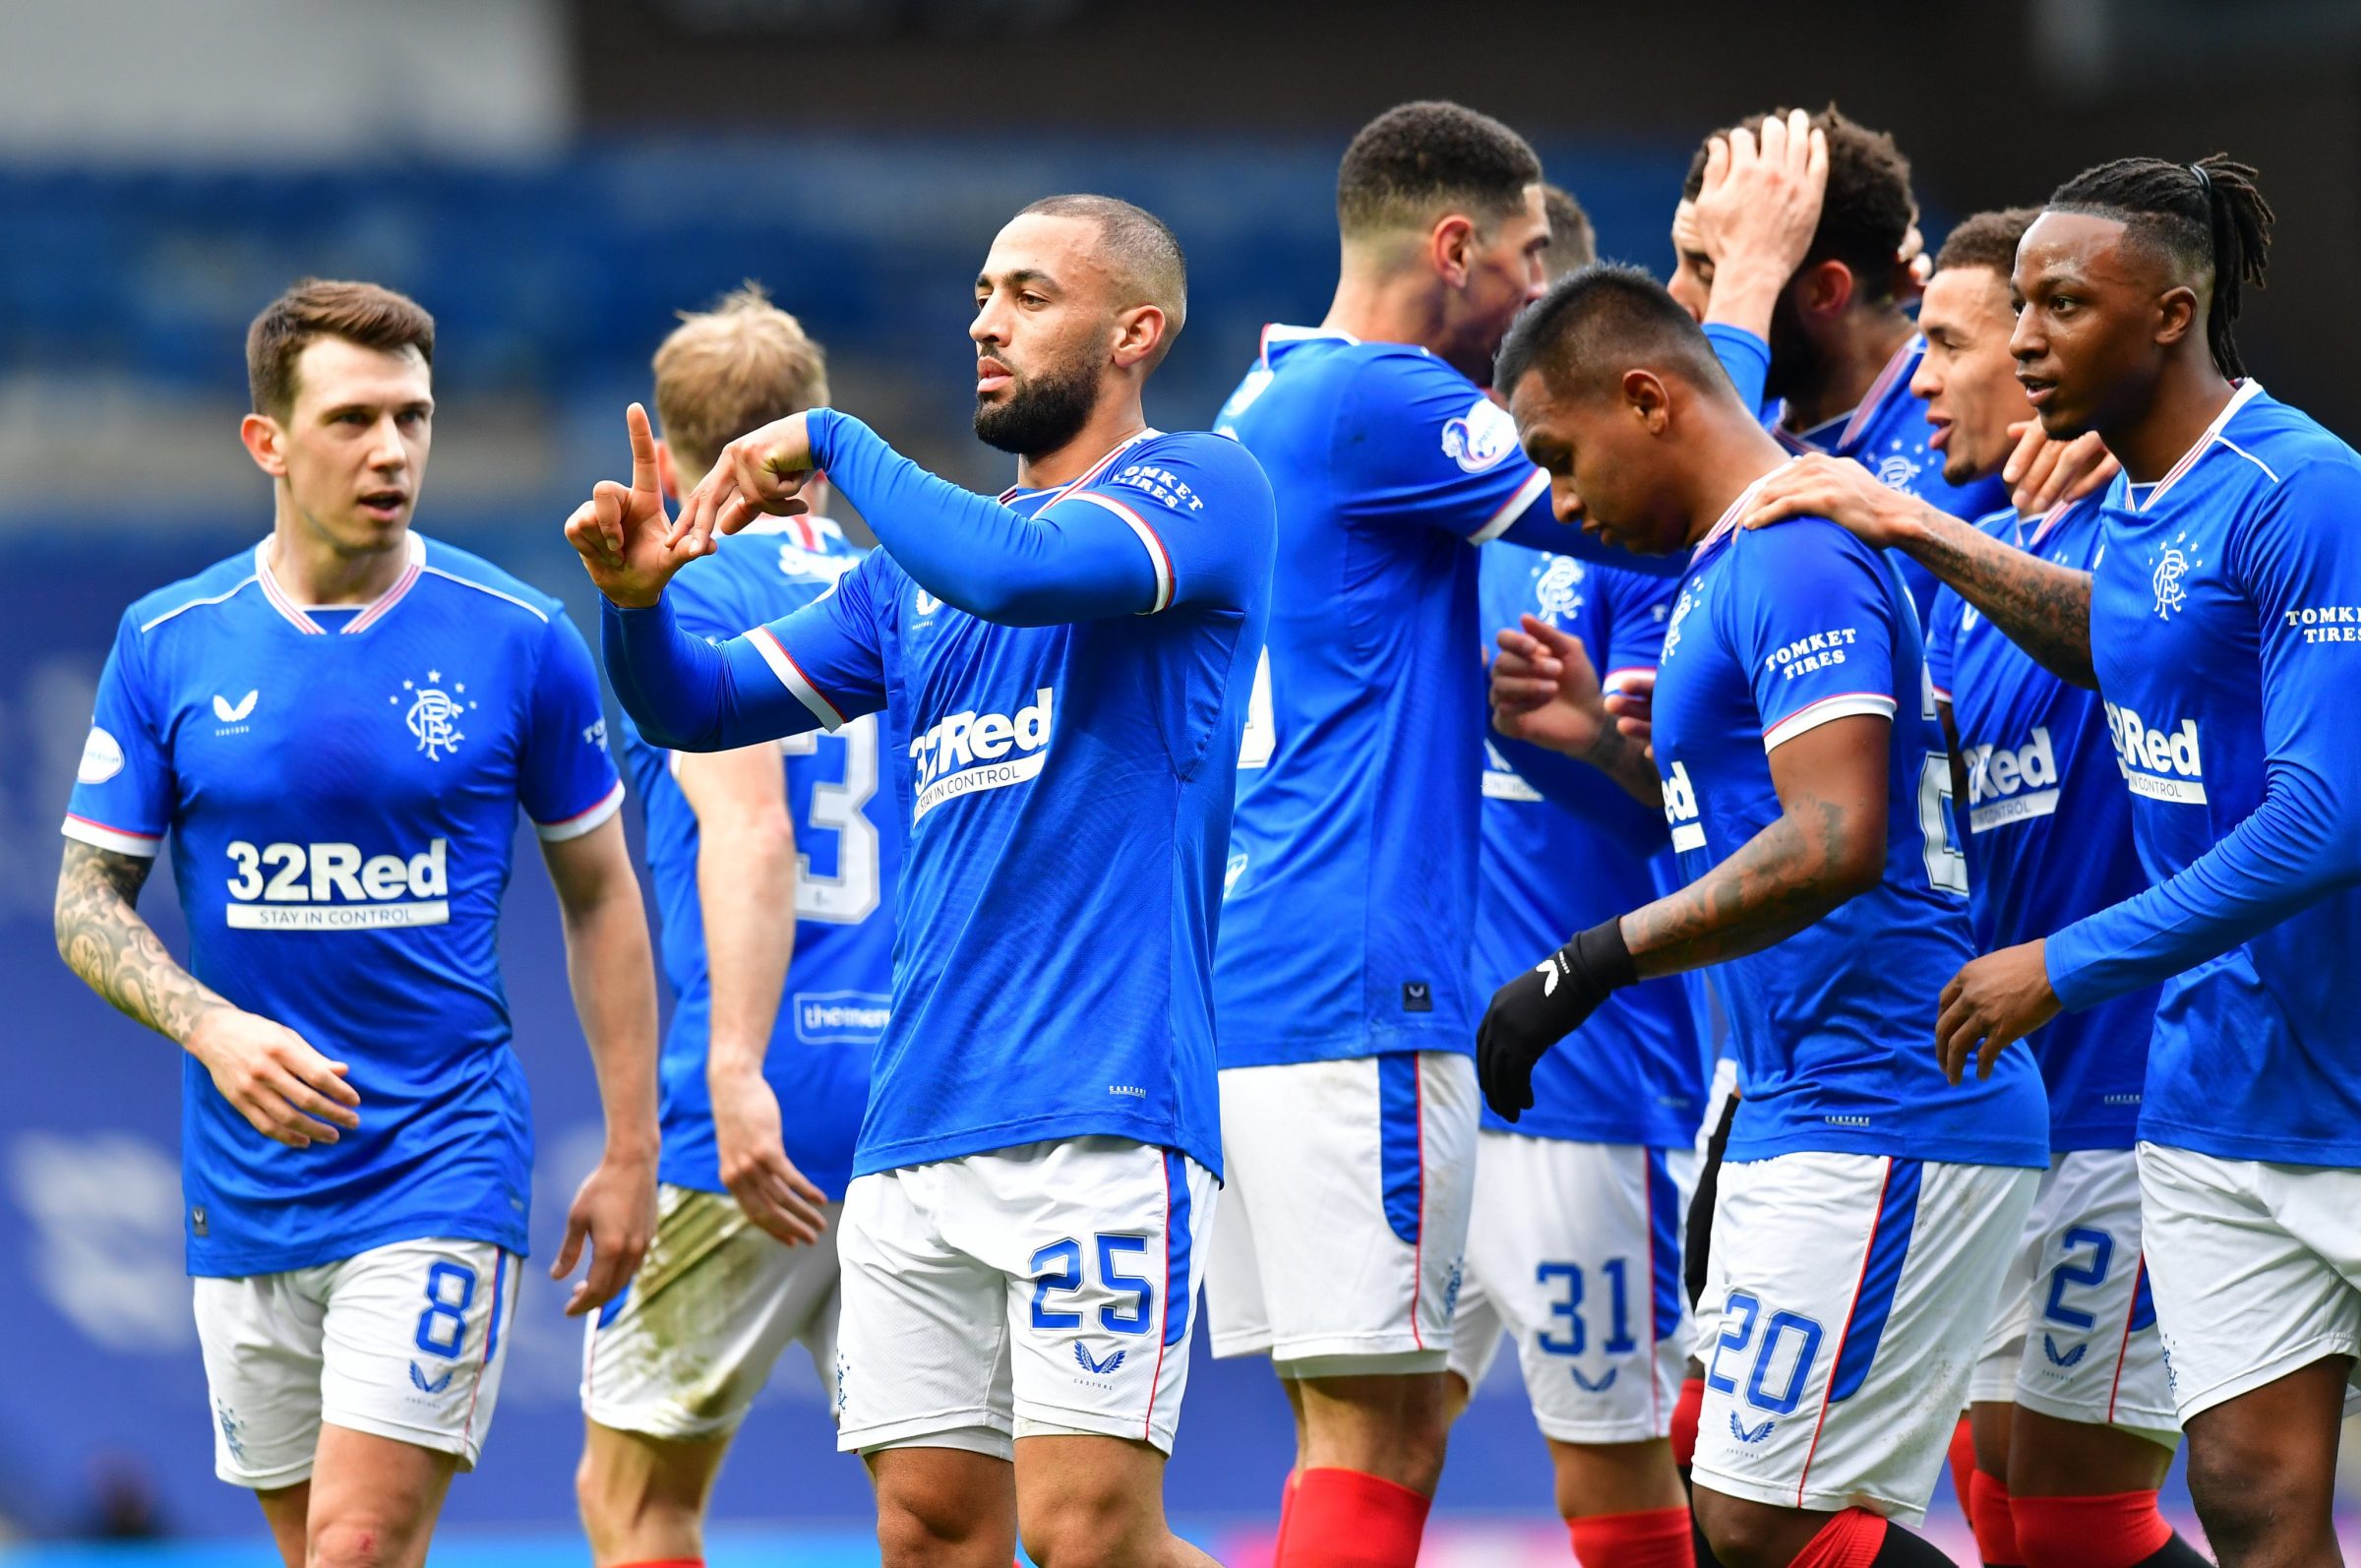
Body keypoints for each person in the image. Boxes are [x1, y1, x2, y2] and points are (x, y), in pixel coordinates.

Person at [568, 195, 1275, 1568]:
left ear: (1137, 331)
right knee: (930, 1534)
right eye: (981, 294)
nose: (986, 322)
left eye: (1028, 294)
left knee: (1089, 1537)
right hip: (912, 1132)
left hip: (1100, 1109)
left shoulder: (1203, 488)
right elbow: (696, 706)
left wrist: (836, 439)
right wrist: (638, 605)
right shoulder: (904, 587)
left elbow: (1023, 572)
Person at [1743, 153, 2360, 1568]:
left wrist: (2062, 965)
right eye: (2019, 305)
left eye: (2063, 304)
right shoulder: (2140, 502)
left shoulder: (2305, 492)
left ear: (2173, 314)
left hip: (2345, 1079)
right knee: (2252, 1501)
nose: (2026, 338)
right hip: (2211, 1097)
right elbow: (2126, 642)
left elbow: (2329, 815)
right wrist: (1923, 529)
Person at [53, 279, 658, 1568]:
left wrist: (631, 1144)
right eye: (352, 419)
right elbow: (84, 900)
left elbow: (603, 893)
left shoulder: (521, 637)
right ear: (267, 441)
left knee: (359, 1543)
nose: (391, 450)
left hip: (440, 1159)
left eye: (412, 417)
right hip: (245, 1184)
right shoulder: (168, 641)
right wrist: (212, 1027)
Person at [1483, 264, 2048, 1568]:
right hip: (1796, 1091)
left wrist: (1590, 962)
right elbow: (1752, 818)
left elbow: (1838, 838)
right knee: (1721, 1475)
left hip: (1885, 1095)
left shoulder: (1793, 554)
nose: (1558, 502)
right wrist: (1603, 747)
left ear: (1648, 398)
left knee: (1763, 1519)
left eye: (1560, 456)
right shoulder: (1729, 564)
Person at [575, 287, 903, 1568]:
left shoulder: (692, 595)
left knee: (635, 1501)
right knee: (939, 1510)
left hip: (762, 1098)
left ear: (676, 451)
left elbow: (754, 830)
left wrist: (733, 1065)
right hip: (916, 1097)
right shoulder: (907, 592)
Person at [1906, 211, 2205, 1568]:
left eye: (1948, 345)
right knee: (2002, 1489)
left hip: (2135, 1090)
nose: (1923, 380)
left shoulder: (2150, 519)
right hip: (2011, 1099)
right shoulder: (1966, 557)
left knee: (2083, 1512)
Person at [1668, 107, 2010, 621]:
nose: (1674, 295)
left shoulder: (2001, 410)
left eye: (1709, 271)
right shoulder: (1738, 436)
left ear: (1826, 291)